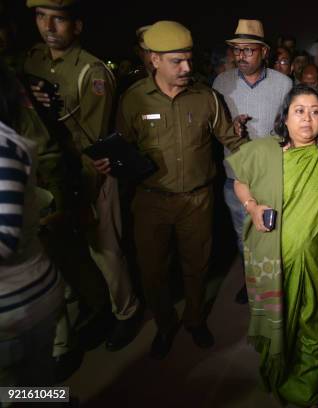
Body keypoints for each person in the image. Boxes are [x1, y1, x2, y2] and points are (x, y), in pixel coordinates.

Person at [108, 21, 247, 359]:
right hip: (150, 202)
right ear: (154, 59)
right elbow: (121, 147)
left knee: (196, 265)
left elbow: (233, 142)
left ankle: (195, 319)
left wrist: (273, 156)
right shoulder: (133, 99)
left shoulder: (206, 98)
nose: (187, 68)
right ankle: (165, 324)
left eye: (188, 59)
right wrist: (110, 163)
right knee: (153, 271)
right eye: (176, 61)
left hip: (197, 201)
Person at [226, 84, 318, 408]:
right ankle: (280, 374)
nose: (307, 118)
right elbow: (240, 181)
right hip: (275, 259)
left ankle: (308, 391)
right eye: (299, 111)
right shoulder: (264, 152)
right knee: (281, 319)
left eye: (315, 112)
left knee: (317, 322)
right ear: (285, 118)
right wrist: (253, 207)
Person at [24, 0, 142, 353]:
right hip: (45, 174)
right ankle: (97, 308)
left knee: (105, 250)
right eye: (41, 17)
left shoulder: (90, 72)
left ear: (76, 26)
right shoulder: (32, 60)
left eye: (58, 19)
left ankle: (126, 312)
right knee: (65, 253)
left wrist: (84, 197)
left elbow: (93, 142)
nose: (48, 26)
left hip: (88, 174)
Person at [213, 18, 292, 304]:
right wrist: (230, 129)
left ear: (264, 52)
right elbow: (215, 128)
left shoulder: (283, 83)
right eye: (237, 50)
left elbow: (289, 130)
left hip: (271, 178)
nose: (241, 56)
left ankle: (273, 283)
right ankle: (252, 282)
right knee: (241, 235)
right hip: (236, 178)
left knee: (272, 235)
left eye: (248, 50)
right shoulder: (221, 83)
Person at [0, 61, 64, 390]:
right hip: (21, 300)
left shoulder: (3, 149)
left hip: (16, 308)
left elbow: (4, 237)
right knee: (35, 388)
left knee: (25, 391)